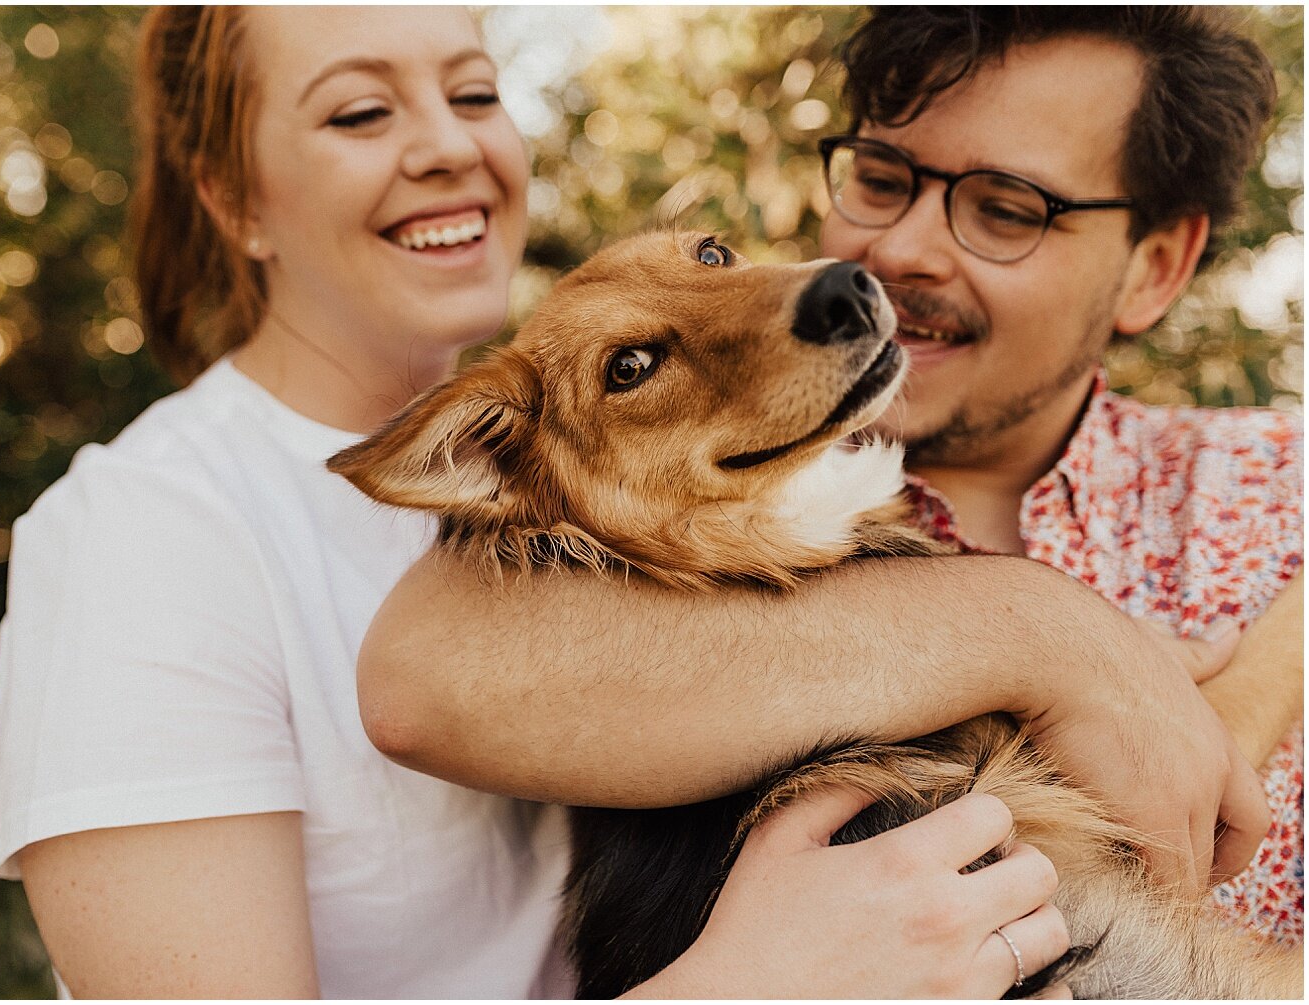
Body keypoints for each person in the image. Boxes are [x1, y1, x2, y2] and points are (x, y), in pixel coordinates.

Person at [0, 6, 1072, 999]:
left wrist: (1061, 641)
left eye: (472, 94)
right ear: (235, 199)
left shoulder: (645, 484)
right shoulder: (141, 538)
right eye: (360, 112)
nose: (451, 147)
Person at [358, 3, 1304, 949]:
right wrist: (1043, 632)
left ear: (1156, 267)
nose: (891, 256)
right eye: (883, 179)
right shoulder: (607, 563)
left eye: (1008, 210)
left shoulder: (1274, 491)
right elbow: (417, 679)